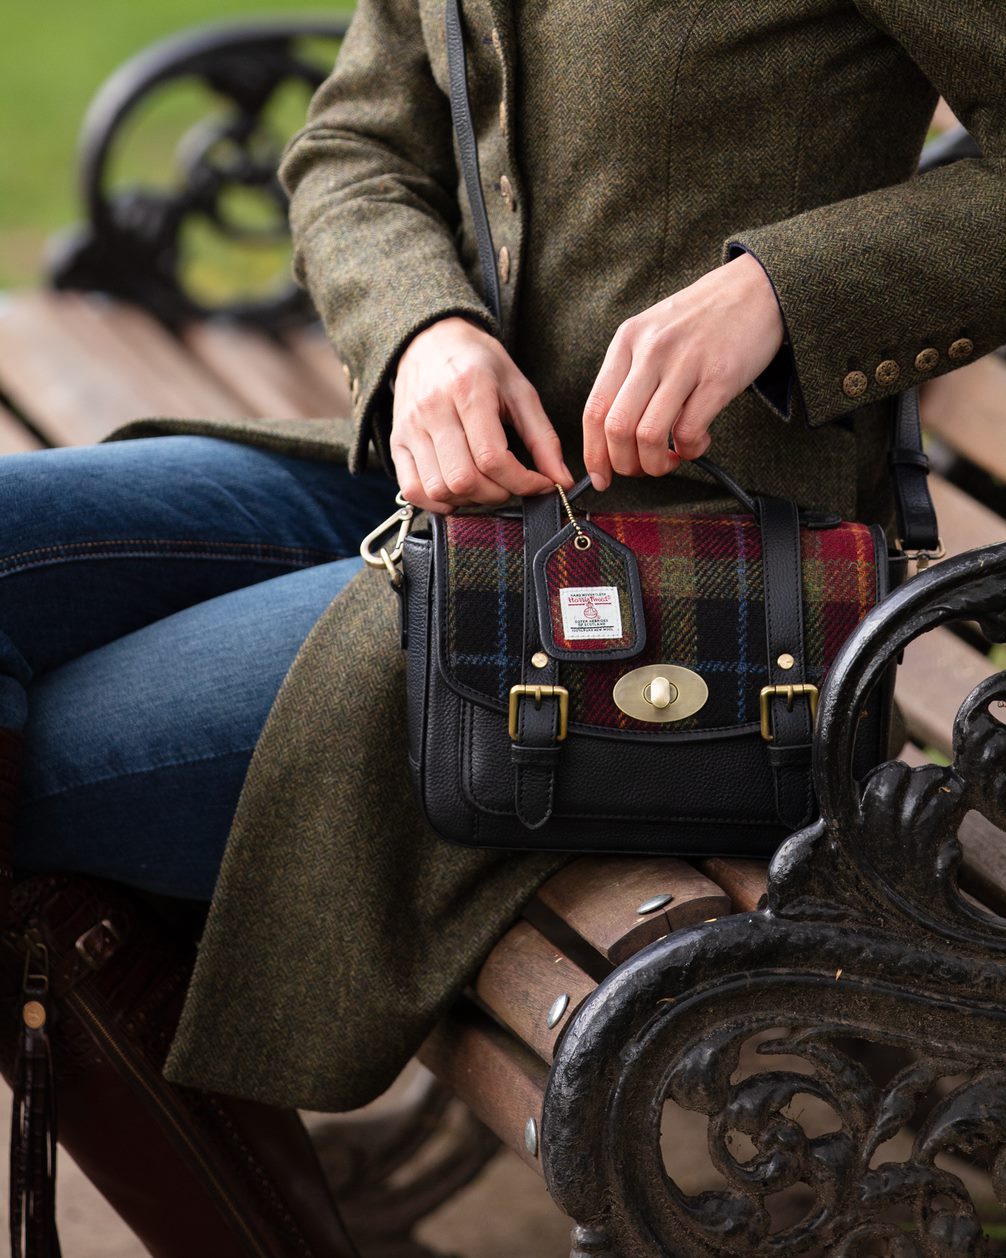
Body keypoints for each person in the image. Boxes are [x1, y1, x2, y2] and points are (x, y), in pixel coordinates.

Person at [1, 0, 1003, 1252]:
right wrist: (421, 329)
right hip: (415, 476)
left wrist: (780, 292)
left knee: (27, 781)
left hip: (690, 578)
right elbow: (352, 145)